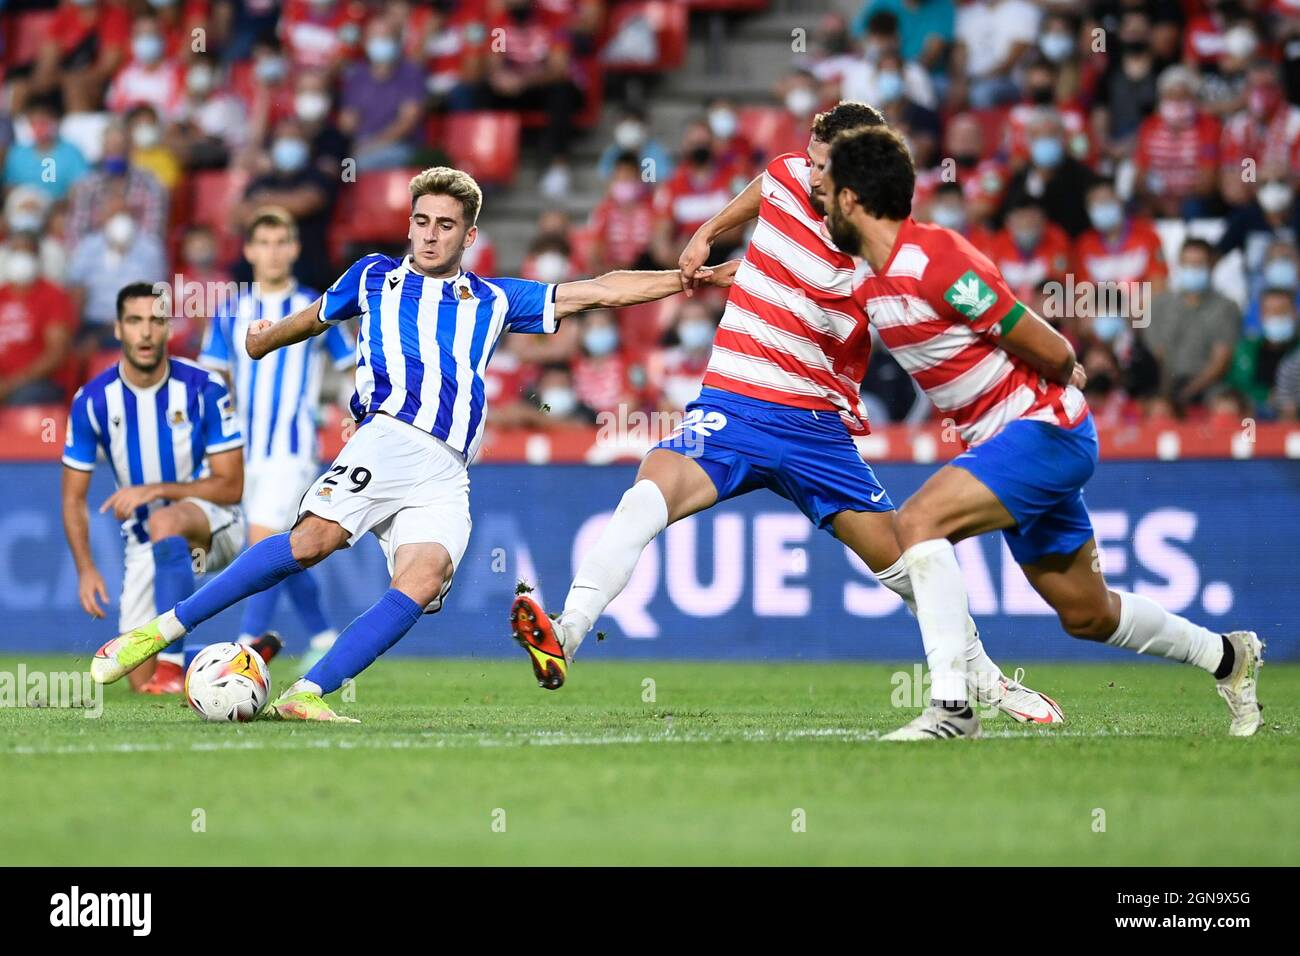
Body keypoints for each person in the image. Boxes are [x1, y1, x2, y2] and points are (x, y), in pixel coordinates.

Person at [88, 166, 737, 722]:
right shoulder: (374, 278)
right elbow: (311, 319)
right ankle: (159, 631)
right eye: (422, 221)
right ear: (410, 226)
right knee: (310, 542)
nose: (430, 233)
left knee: (425, 580)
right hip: (389, 438)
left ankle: (308, 692)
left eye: (445, 225)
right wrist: (259, 340)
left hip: (449, 469)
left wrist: (685, 281)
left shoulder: (492, 298)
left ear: (470, 236)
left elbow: (597, 289)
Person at [508, 102, 1063, 726]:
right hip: (733, 404)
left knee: (906, 565)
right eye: (813, 158)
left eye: (827, 167)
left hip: (814, 425)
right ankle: (568, 632)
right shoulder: (792, 173)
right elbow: (766, 187)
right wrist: (708, 231)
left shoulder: (878, 253)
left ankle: (984, 681)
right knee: (646, 494)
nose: (813, 175)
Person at [821, 124, 1262, 739]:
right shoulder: (868, 279)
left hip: (1044, 431)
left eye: (827, 190)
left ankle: (951, 710)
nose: (820, 202)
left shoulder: (938, 259)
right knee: (1088, 614)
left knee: (918, 523)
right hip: (1009, 446)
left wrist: (1062, 368)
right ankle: (1228, 658)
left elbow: (1046, 342)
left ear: (849, 199)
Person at [62, 283, 254, 695]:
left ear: (169, 327)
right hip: (146, 546)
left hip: (212, 527)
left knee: (165, 516)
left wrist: (156, 490)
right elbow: (72, 496)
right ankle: (237, 658)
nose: (145, 333)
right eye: (135, 321)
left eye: (155, 321)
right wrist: (85, 568)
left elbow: (232, 485)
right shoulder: (92, 402)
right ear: (118, 328)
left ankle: (172, 665)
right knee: (141, 681)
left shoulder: (205, 388)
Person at [199, 208, 354, 669]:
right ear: (248, 251)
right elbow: (212, 380)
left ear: (294, 248)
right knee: (282, 550)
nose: (271, 251)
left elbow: (352, 372)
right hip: (244, 454)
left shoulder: (317, 308)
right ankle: (325, 636)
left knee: (259, 544)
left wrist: (357, 417)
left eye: (280, 241)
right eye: (262, 242)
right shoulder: (231, 312)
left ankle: (243, 654)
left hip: (292, 449)